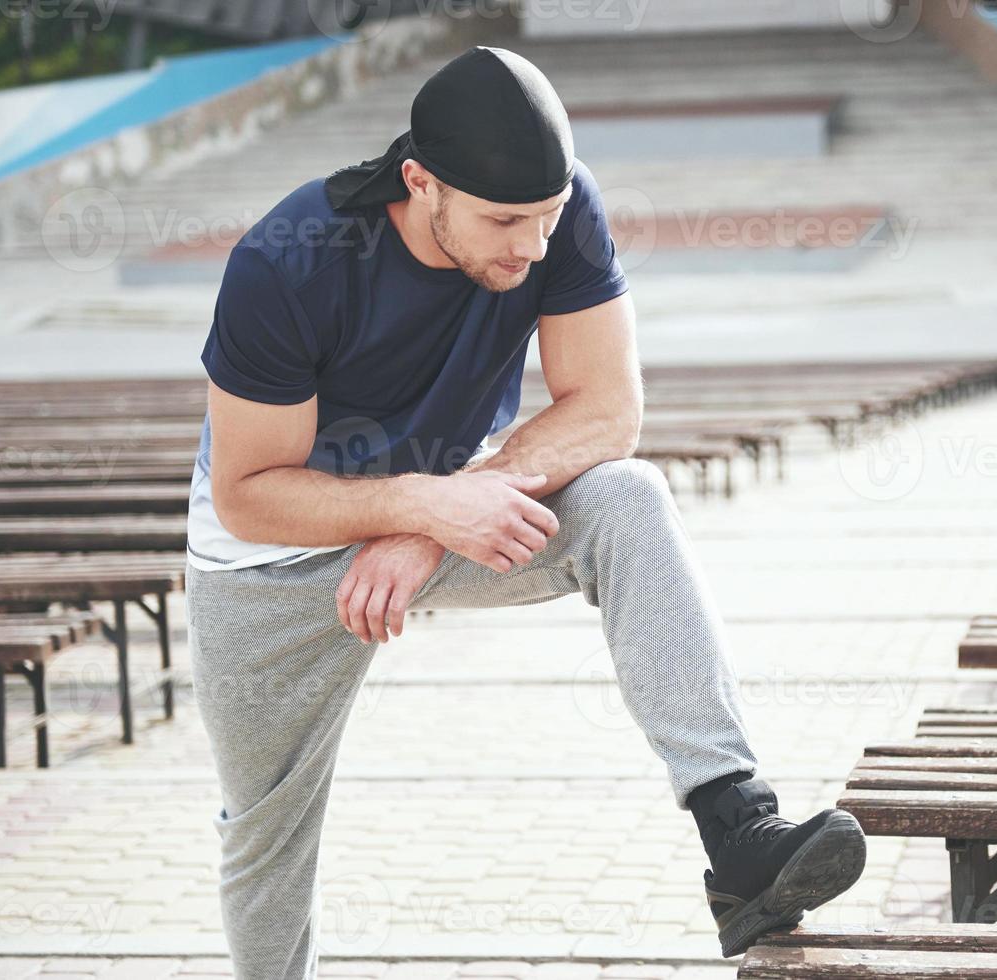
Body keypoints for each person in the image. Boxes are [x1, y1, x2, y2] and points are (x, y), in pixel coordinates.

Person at [184, 45, 866, 977]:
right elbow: (248, 493)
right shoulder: (286, 259)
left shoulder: (564, 208)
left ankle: (737, 828)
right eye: (505, 220)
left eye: (546, 221)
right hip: (270, 558)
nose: (532, 247)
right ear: (420, 183)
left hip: (453, 515)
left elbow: (608, 412)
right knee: (265, 832)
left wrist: (427, 527)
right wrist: (424, 506)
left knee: (629, 497)